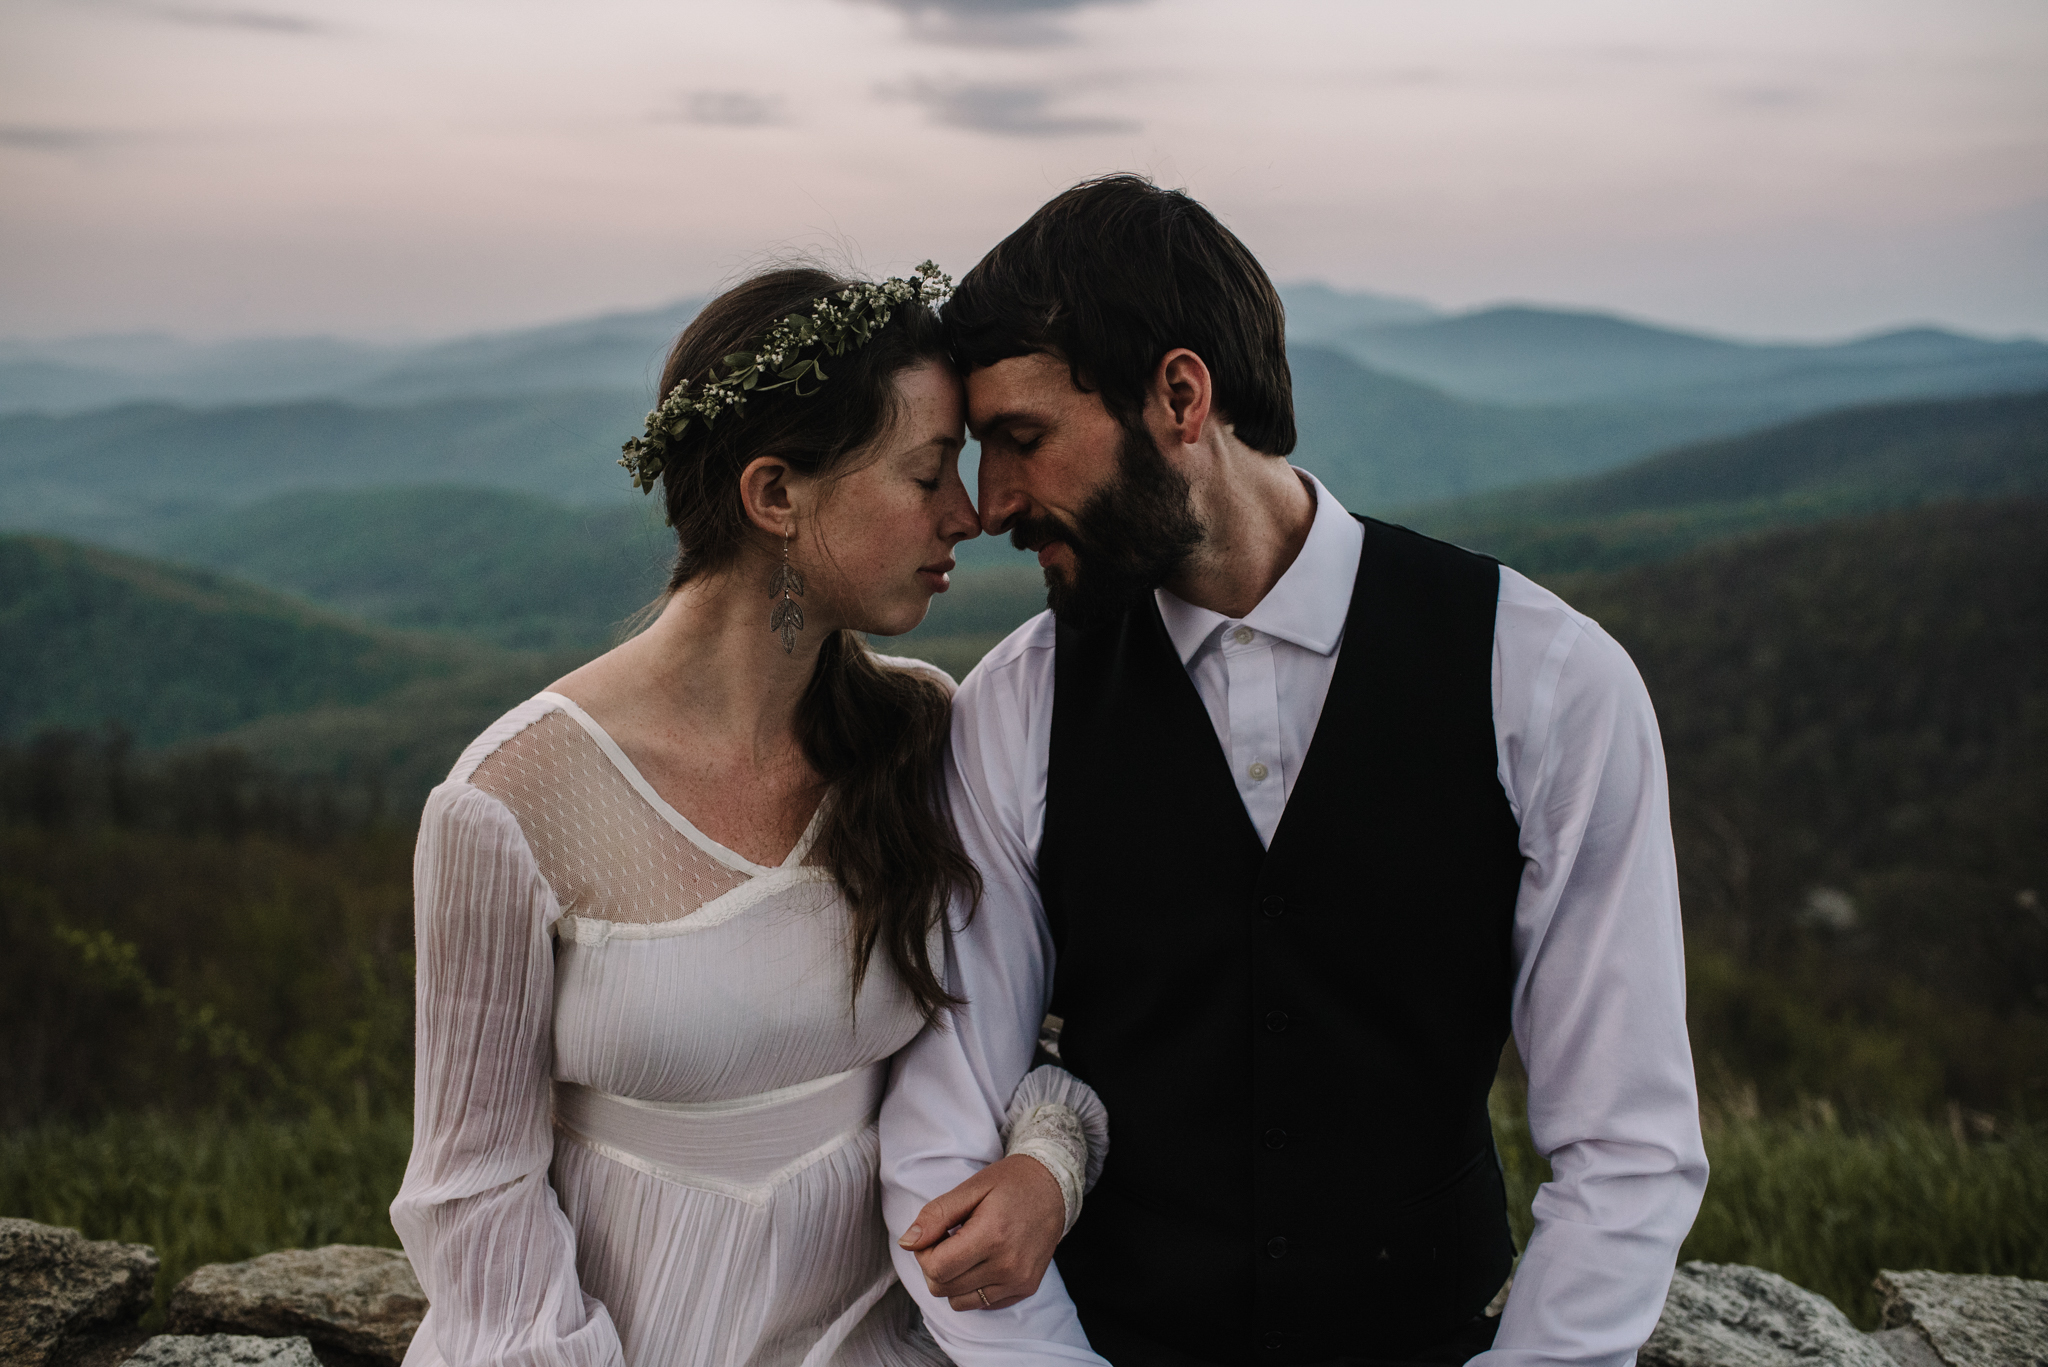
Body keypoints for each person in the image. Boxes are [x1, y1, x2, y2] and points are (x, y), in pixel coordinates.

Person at [881, 176, 1710, 1367]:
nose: (995, 501)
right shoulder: (1015, 706)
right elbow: (944, 1121)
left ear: (1178, 394)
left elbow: (1624, 1140)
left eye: (1021, 438)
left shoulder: (1545, 682)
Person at [390, 264, 1107, 1367]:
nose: (967, 513)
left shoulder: (922, 732)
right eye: (926, 474)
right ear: (775, 496)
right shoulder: (509, 801)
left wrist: (1049, 1162)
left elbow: (1040, 1024)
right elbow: (472, 1187)